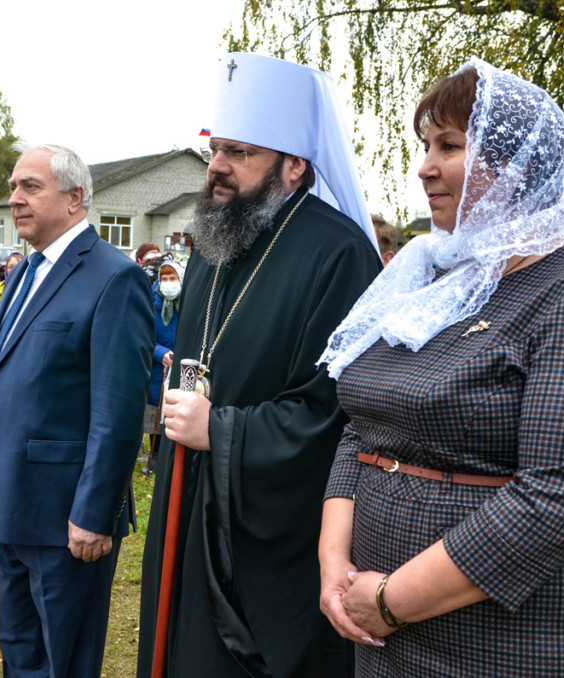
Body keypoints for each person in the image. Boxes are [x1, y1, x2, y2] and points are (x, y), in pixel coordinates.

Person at [315, 59, 564, 678]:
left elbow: (563, 493)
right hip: (381, 621)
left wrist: (393, 601)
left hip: (522, 636)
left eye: (450, 146)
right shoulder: (431, 282)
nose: (424, 166)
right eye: (425, 145)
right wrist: (333, 562)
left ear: (519, 165)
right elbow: (362, 424)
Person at [138, 53, 382, 678]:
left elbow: (334, 412)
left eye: (239, 152)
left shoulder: (339, 254)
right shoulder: (215, 236)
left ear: (294, 165)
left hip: (267, 530)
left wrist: (218, 430)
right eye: (216, 148)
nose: (216, 167)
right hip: (187, 494)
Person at [0, 142, 153, 678]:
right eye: (13, 187)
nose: (15, 199)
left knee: (63, 661)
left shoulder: (113, 277)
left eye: (31, 187)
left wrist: (94, 513)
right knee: (21, 653)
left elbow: (118, 412)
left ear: (76, 198)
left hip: (67, 522)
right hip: (11, 506)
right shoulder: (27, 272)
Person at [143, 259, 184, 471]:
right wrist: (161, 353)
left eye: (173, 278)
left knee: (173, 409)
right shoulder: (151, 303)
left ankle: (170, 452)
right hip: (157, 366)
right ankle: (155, 453)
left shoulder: (188, 303)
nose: (169, 282)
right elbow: (145, 336)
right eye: (164, 278)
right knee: (153, 410)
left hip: (180, 365)